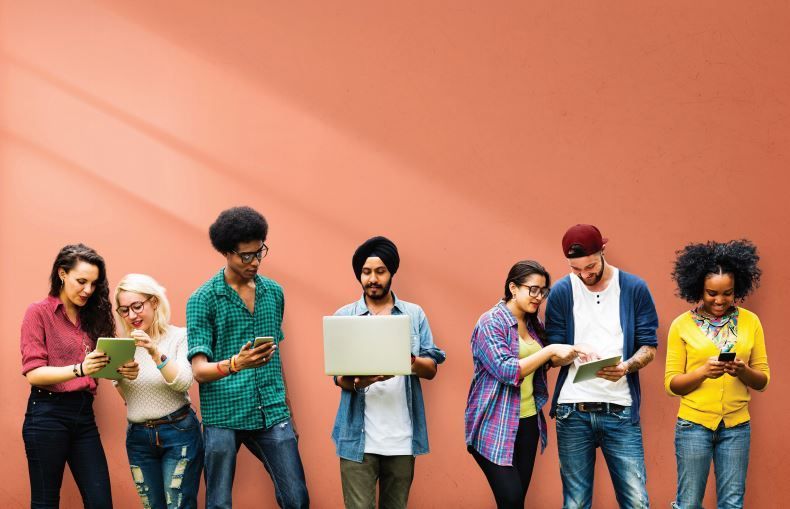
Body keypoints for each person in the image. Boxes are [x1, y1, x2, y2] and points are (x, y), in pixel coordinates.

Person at [187, 206, 309, 509]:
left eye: (259, 252)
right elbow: (199, 371)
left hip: (271, 410)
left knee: (297, 499)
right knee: (218, 503)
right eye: (246, 256)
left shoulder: (274, 293)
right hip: (222, 416)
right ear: (227, 253)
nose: (255, 261)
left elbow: (275, 360)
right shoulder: (202, 300)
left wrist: (288, 412)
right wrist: (236, 364)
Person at [545, 224, 659, 509]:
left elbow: (649, 346)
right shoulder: (561, 291)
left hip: (620, 409)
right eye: (576, 269)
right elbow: (553, 354)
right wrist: (572, 351)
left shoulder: (634, 288)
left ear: (603, 251)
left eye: (591, 266)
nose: (584, 275)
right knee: (575, 503)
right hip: (573, 410)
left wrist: (628, 366)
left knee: (636, 501)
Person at [21, 243, 139, 508]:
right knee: (45, 502)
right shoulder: (38, 313)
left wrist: (123, 371)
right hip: (47, 413)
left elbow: (105, 367)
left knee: (100, 502)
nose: (88, 290)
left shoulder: (93, 317)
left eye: (94, 284)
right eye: (81, 281)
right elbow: (34, 373)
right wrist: (80, 369)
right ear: (62, 273)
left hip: (84, 415)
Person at [332, 236, 445, 509]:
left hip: (402, 439)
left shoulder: (414, 314)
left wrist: (406, 360)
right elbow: (338, 378)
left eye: (380, 271)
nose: (373, 279)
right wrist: (361, 382)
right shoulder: (344, 316)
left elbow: (431, 368)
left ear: (391, 272)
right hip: (357, 438)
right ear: (359, 274)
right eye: (367, 272)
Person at [465, 260, 584, 509]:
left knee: (516, 503)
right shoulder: (490, 323)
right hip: (493, 422)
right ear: (513, 288)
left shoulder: (533, 323)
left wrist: (573, 353)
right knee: (511, 498)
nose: (539, 297)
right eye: (533, 289)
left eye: (543, 291)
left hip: (528, 421)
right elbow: (506, 369)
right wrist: (550, 349)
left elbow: (543, 361)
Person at [665, 240, 769, 509]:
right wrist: (702, 372)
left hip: (737, 427)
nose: (720, 300)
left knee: (732, 504)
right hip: (693, 427)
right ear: (698, 287)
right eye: (712, 293)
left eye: (728, 293)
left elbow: (763, 380)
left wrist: (743, 371)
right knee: (688, 504)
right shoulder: (681, 325)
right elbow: (671, 384)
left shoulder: (750, 322)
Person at [114, 273, 204, 508]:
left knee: (179, 505)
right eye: (124, 310)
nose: (131, 315)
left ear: (154, 302)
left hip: (178, 433)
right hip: (138, 437)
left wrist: (154, 352)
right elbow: (127, 396)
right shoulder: (123, 345)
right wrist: (122, 377)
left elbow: (184, 382)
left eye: (137, 306)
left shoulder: (179, 337)